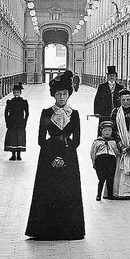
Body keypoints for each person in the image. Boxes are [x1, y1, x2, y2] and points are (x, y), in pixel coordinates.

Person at [25, 70, 85, 240]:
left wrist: (64, 158)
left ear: (69, 95)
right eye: (59, 94)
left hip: (68, 156)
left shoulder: (75, 114)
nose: (61, 97)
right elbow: (40, 139)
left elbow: (77, 140)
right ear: (54, 95)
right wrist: (53, 157)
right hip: (48, 156)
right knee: (48, 192)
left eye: (64, 94)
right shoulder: (46, 112)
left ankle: (69, 230)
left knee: (67, 192)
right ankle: (46, 230)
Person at [90, 120, 119, 201]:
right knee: (101, 178)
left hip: (111, 160)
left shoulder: (113, 142)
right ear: (101, 131)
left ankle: (110, 195)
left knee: (110, 178)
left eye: (109, 130)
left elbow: (116, 151)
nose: (107, 132)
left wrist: (120, 151)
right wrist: (94, 162)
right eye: (105, 130)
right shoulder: (97, 142)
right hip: (101, 160)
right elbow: (93, 152)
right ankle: (98, 195)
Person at [4, 83, 29, 161]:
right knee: (12, 138)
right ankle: (13, 155)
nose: (16, 94)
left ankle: (19, 155)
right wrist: (7, 122)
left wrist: (25, 122)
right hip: (11, 123)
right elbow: (6, 113)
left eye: (17, 92)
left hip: (20, 122)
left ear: (20, 93)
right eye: (15, 92)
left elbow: (27, 113)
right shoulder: (10, 102)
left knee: (19, 138)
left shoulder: (24, 102)